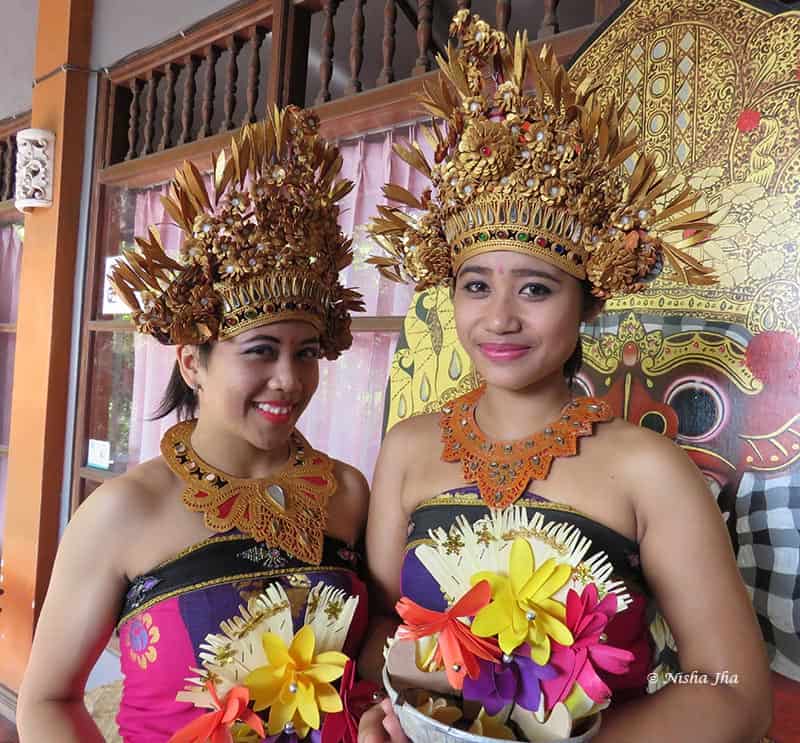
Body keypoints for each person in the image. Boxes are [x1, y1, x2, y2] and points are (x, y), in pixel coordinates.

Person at [359, 11, 771, 743]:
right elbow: (384, 626)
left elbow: (732, 690)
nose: (500, 319)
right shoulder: (408, 449)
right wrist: (389, 715)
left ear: (589, 299)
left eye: (537, 289)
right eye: (476, 285)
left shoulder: (646, 468)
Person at [18, 105, 371, 742]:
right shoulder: (124, 511)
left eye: (307, 352)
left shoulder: (346, 493)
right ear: (194, 362)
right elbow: (45, 701)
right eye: (260, 350)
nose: (288, 380)